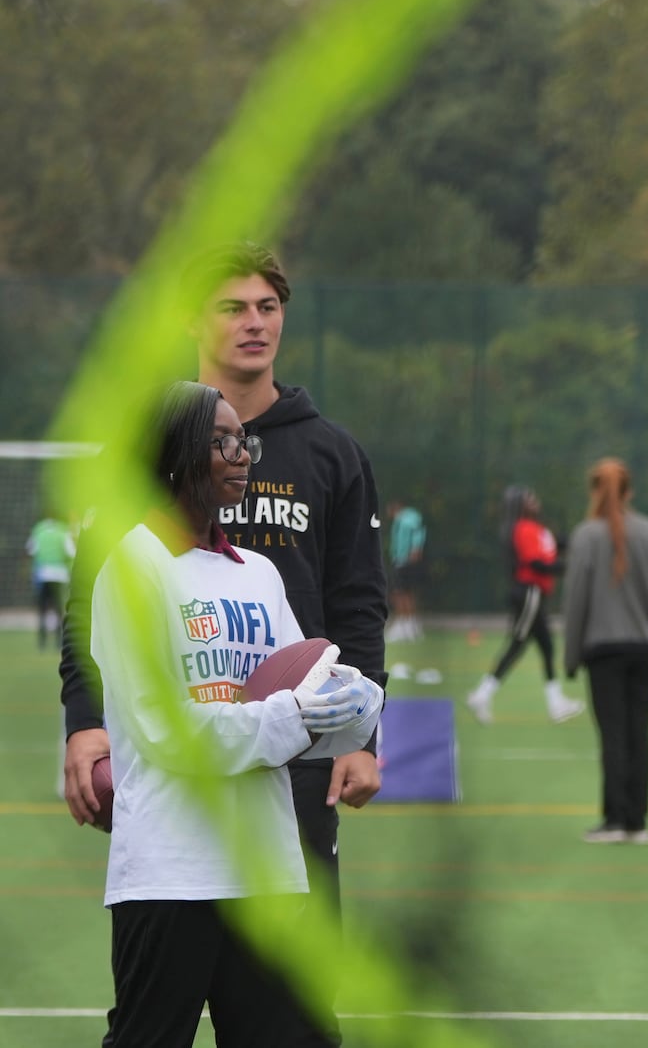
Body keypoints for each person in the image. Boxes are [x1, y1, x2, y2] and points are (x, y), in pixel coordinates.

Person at [60, 242, 388, 1045]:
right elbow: (88, 609)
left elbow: (356, 603)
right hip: (180, 812)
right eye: (232, 306)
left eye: (267, 306)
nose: (254, 323)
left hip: (287, 783)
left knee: (296, 1018)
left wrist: (358, 726)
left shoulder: (330, 454)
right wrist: (85, 716)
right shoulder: (139, 484)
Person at [561, 458, 648, 845]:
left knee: (614, 736)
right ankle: (637, 822)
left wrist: (571, 656)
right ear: (630, 491)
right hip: (645, 649)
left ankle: (614, 820)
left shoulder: (587, 535)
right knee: (639, 734)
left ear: (594, 491)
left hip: (603, 650)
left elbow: (576, 602)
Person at [465, 486, 585, 724]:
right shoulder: (522, 529)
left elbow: (557, 545)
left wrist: (585, 539)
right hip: (529, 593)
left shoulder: (539, 529)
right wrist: (569, 567)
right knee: (518, 644)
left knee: (547, 647)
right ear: (519, 505)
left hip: (537, 595)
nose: (535, 500)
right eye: (529, 498)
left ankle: (555, 703)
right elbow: (536, 564)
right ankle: (482, 694)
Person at [27, 510, 75, 649]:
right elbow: (70, 552)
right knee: (58, 609)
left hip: (42, 574)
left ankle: (42, 641)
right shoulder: (62, 531)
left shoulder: (38, 530)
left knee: (42, 609)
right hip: (59, 575)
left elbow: (31, 550)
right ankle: (58, 640)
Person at [386, 500, 426, 642]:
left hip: (403, 561)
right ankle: (408, 625)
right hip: (402, 560)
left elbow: (418, 534)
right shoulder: (408, 519)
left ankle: (404, 625)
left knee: (399, 593)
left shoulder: (406, 519)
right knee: (405, 593)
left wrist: (415, 549)